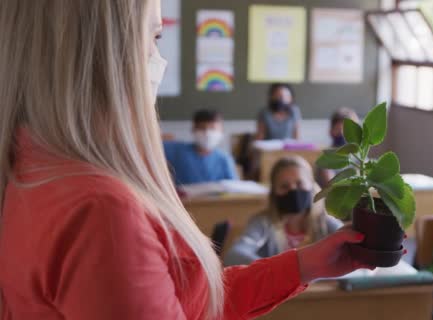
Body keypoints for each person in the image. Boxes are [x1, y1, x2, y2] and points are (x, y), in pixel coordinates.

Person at [0, 1, 381, 319]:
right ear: (102, 53)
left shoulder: (34, 169)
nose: (157, 59)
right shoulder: (104, 212)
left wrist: (303, 266)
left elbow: (189, 303)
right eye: (154, 36)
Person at [225, 156, 342, 266]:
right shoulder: (263, 222)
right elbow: (234, 255)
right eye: (284, 186)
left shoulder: (325, 222)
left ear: (311, 186)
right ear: (274, 193)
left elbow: (351, 245)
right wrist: (276, 269)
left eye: (299, 183)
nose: (293, 190)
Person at [164, 109, 238, 184]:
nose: (207, 133)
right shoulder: (176, 150)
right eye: (202, 128)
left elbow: (234, 187)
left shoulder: (224, 159)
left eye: (212, 128)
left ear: (221, 131)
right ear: (193, 129)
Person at [316, 108, 360, 188]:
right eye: (338, 130)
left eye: (346, 132)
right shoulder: (327, 157)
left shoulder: (359, 156)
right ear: (331, 131)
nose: (342, 135)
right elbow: (331, 184)